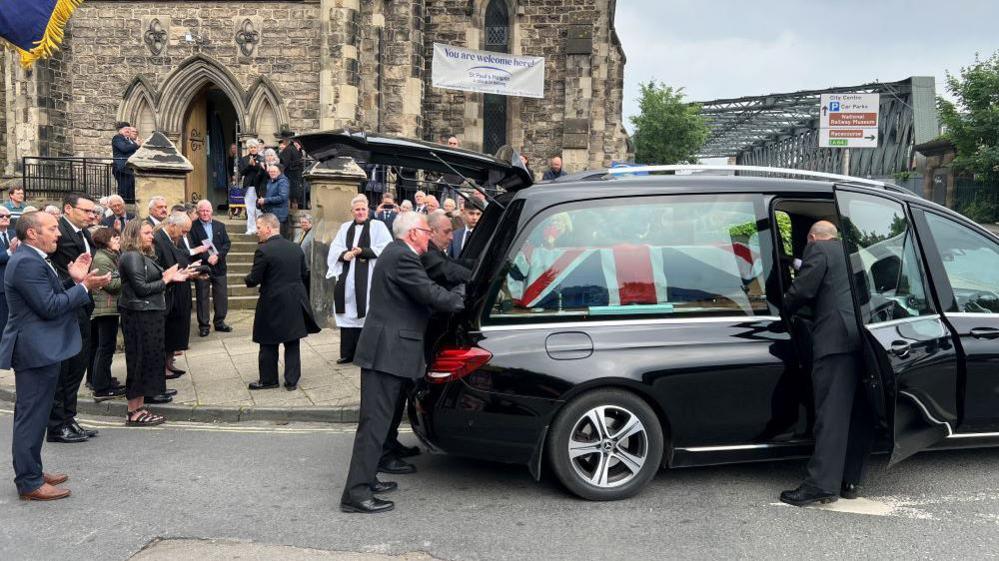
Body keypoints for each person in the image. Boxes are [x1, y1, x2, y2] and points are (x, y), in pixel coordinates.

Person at [340, 212, 465, 514]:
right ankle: (356, 493)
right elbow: (430, 293)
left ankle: (367, 481)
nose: (429, 238)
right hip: (387, 352)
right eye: (425, 231)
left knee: (377, 422)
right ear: (413, 234)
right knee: (373, 425)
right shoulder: (403, 258)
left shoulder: (397, 253)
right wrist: (460, 297)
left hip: (388, 351)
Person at [1, 211, 110, 501]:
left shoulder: (33, 257)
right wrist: (85, 287)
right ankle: (29, 482)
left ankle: (32, 470)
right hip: (33, 351)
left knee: (35, 416)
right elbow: (49, 306)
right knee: (31, 417)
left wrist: (74, 281)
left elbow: (50, 293)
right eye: (52, 228)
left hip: (41, 349)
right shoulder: (25, 261)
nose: (58, 233)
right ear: (33, 233)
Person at [779, 220, 875, 507]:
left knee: (830, 415)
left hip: (832, 342)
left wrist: (782, 307)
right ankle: (849, 480)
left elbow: (802, 292)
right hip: (860, 340)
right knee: (854, 412)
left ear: (812, 238)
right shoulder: (851, 253)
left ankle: (820, 485)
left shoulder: (818, 250)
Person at [118, 219, 190, 426]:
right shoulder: (131, 256)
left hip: (150, 314)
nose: (152, 236)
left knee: (149, 362)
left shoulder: (142, 256)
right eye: (147, 233)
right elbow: (141, 288)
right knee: (139, 362)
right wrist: (167, 279)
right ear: (134, 236)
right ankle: (133, 412)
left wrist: (170, 277)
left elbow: (150, 284)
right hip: (139, 316)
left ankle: (139, 408)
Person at [245, 213, 321, 390]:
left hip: (272, 301)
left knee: (267, 341)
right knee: (292, 341)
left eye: (259, 228)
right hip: (294, 300)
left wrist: (246, 279)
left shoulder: (263, 250)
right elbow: (303, 272)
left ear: (268, 228)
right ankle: (292, 380)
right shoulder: (295, 248)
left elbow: (254, 279)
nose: (257, 232)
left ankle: (268, 379)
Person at [47, 193, 99, 444]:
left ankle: (69, 418)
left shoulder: (84, 234)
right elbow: (68, 272)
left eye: (93, 211)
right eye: (87, 211)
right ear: (68, 208)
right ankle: (57, 425)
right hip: (66, 305)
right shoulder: (63, 234)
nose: (91, 215)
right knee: (65, 368)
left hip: (81, 304)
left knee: (78, 365)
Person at [327, 195, 392, 364]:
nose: (361, 212)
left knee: (366, 312)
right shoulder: (345, 227)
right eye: (357, 209)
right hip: (348, 277)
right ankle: (348, 353)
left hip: (369, 277)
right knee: (348, 312)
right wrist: (344, 254)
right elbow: (335, 248)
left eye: (363, 209)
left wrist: (362, 251)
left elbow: (386, 246)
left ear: (368, 209)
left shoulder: (378, 226)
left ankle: (365, 354)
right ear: (352, 212)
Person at [156, 211, 197, 384]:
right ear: (173, 226)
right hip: (167, 291)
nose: (184, 235)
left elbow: (181, 257)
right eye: (183, 231)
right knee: (166, 332)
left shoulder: (172, 239)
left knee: (174, 331)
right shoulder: (158, 239)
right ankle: (163, 367)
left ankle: (169, 363)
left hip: (178, 290)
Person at [89, 227, 126, 401]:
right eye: (115, 238)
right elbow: (111, 285)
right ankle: (101, 388)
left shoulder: (110, 256)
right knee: (104, 348)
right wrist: (126, 275)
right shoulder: (102, 259)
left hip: (109, 307)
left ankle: (104, 381)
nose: (118, 241)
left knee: (106, 347)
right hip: (105, 309)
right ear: (106, 240)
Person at [188, 200, 232, 336]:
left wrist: (218, 256)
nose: (205, 213)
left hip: (219, 266)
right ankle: (204, 325)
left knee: (221, 296)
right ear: (198, 212)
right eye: (202, 210)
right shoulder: (192, 227)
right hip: (203, 266)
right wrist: (207, 257)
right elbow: (193, 245)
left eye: (207, 210)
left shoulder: (220, 226)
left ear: (212, 211)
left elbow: (227, 243)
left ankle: (219, 322)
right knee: (202, 296)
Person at [239, 139, 267, 235]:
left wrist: (254, 165)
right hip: (249, 187)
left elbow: (262, 171)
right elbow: (242, 172)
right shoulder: (244, 159)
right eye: (251, 147)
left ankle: (260, 229)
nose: (253, 149)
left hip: (259, 187)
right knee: (250, 209)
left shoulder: (262, 158)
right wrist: (249, 166)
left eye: (254, 147)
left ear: (257, 148)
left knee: (259, 210)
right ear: (248, 148)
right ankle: (250, 228)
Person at [259, 164, 291, 240]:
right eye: (270, 172)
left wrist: (266, 200)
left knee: (279, 240)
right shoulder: (271, 181)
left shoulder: (283, 182)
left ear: (279, 172)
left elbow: (282, 197)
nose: (272, 173)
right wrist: (261, 202)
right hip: (271, 214)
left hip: (280, 216)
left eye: (274, 171)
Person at [112, 122, 140, 202]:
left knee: (130, 188)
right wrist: (136, 144)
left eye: (128, 129)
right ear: (120, 130)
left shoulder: (130, 140)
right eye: (125, 129)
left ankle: (130, 204)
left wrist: (137, 145)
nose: (128, 130)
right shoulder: (117, 138)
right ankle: (123, 203)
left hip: (129, 168)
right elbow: (124, 148)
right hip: (121, 168)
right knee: (124, 189)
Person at [0, 206, 17, 337]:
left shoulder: (14, 233)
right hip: (1, 288)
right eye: (2, 216)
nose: (5, 218)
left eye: (8, 216)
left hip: (16, 284)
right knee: (3, 323)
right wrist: (10, 252)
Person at [277, 130, 304, 210]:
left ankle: (289, 215)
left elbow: (284, 165)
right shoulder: (294, 149)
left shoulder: (288, 150)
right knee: (294, 199)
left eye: (283, 139)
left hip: (289, 177)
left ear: (286, 139)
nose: (283, 141)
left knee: (288, 198)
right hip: (295, 177)